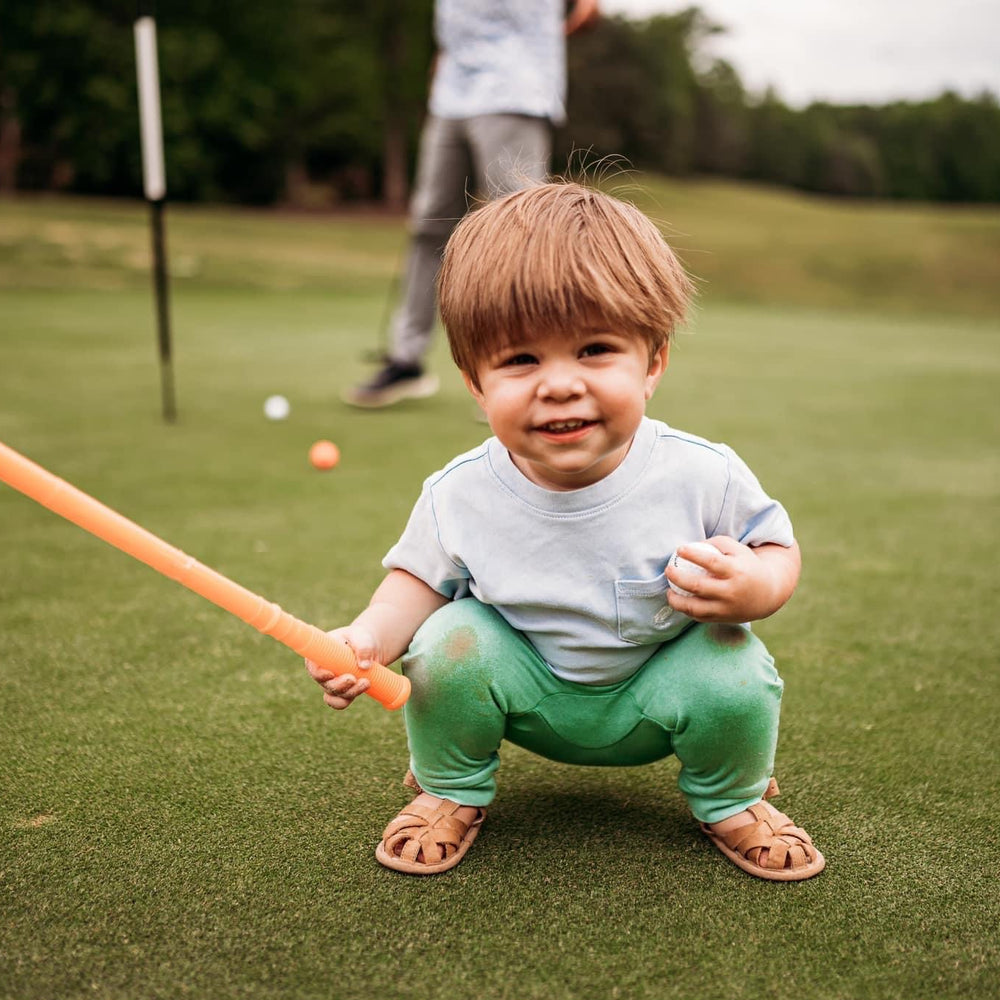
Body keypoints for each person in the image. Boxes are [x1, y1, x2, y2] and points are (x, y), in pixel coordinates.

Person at [311, 181, 826, 882]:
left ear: (652, 363)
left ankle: (730, 798)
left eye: (594, 349)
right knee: (446, 642)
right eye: (520, 360)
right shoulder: (459, 491)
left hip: (655, 692)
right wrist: (365, 641)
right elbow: (413, 587)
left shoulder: (702, 473)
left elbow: (777, 550)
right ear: (474, 381)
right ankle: (450, 787)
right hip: (530, 696)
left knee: (733, 667)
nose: (559, 383)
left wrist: (757, 586)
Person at [343, 0, 600, 408]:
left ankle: (532, 366)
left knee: (521, 229)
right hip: (452, 92)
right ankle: (406, 359)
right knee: (430, 226)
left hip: (513, 85)